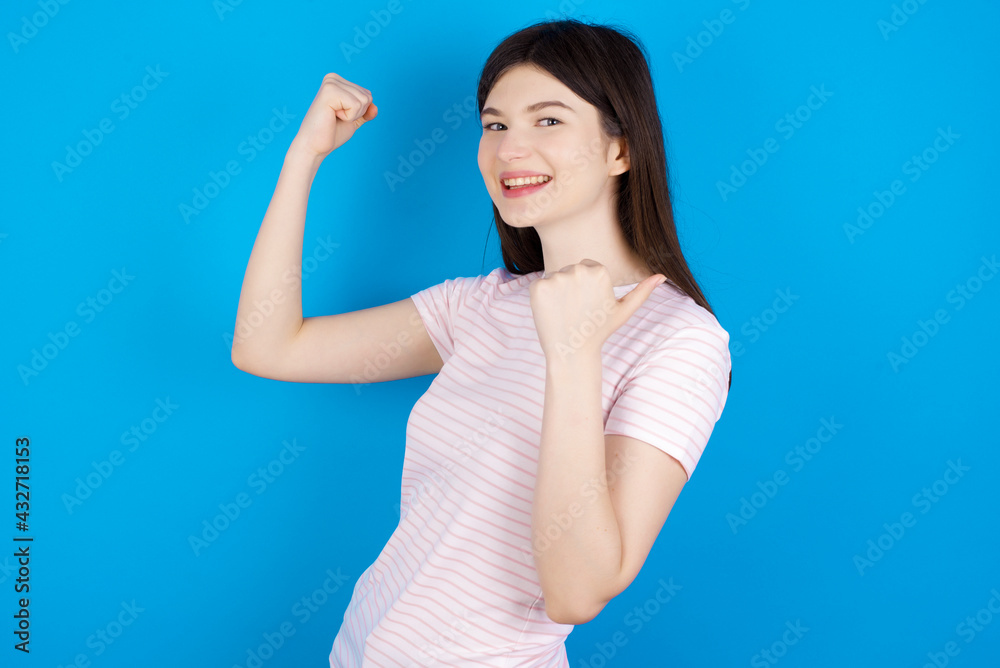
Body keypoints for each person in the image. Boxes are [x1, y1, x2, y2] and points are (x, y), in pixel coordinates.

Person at [231, 17, 732, 668]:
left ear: (621, 149)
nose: (509, 149)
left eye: (548, 121)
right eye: (495, 125)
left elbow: (577, 591)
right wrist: (304, 158)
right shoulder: (482, 304)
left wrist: (573, 354)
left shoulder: (679, 339)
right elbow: (269, 346)